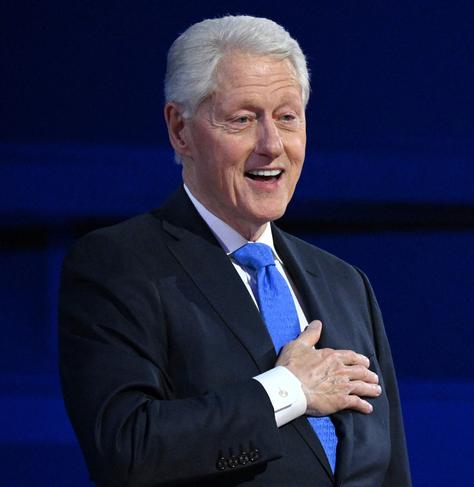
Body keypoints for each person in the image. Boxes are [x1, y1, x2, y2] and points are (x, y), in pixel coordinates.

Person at [59, 15, 411, 487]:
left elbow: (389, 471)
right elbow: (127, 450)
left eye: (287, 117)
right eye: (243, 120)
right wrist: (286, 390)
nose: (271, 145)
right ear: (180, 130)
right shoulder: (120, 265)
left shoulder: (347, 284)